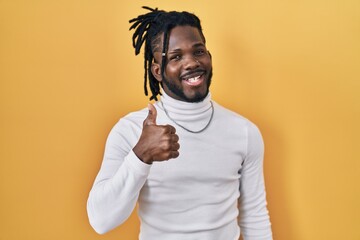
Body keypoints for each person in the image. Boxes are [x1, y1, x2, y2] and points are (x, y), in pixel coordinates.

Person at [87, 6, 273, 240]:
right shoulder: (131, 130)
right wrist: (140, 156)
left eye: (198, 52)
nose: (191, 63)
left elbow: (254, 215)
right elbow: (101, 221)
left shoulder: (244, 132)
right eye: (176, 57)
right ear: (157, 71)